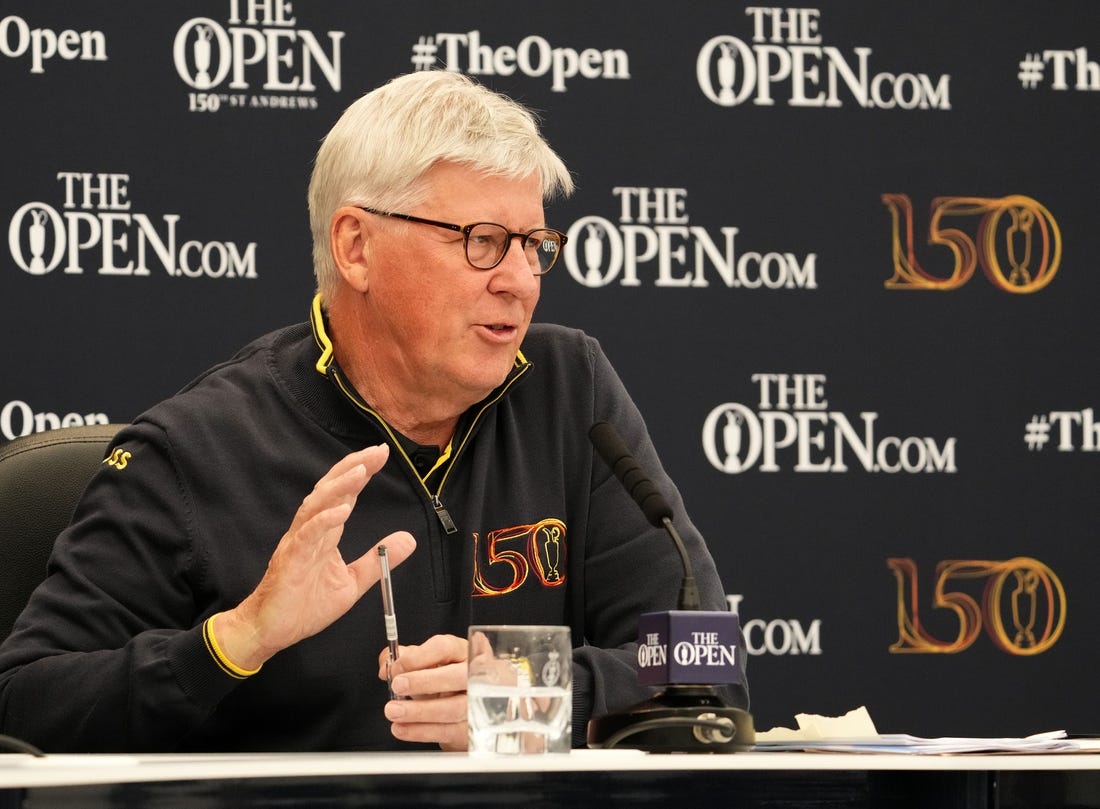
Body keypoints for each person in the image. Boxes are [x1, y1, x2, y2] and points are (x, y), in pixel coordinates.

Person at [0, 70, 745, 753]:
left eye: (535, 244)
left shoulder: (568, 390)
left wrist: (539, 694)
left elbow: (706, 670)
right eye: (483, 243)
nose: (522, 281)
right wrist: (235, 639)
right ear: (356, 246)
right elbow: (25, 703)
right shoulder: (195, 449)